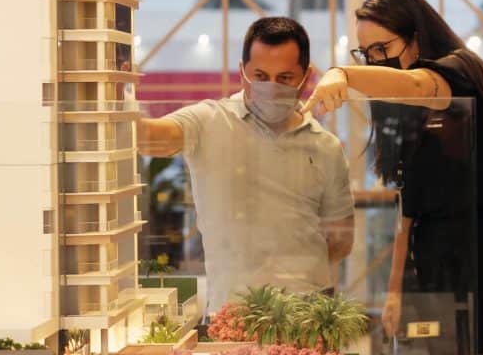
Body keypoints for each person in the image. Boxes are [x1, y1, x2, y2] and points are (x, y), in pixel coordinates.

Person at [305, 0, 483, 354]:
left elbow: (419, 84)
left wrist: (343, 74)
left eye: (383, 49)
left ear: (416, 37)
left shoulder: (458, 70)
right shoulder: (405, 109)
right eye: (366, 54)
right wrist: (395, 289)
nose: (375, 60)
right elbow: (409, 204)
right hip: (435, 260)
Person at [137, 17, 356, 313]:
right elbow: (154, 138)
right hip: (232, 314)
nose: (271, 87)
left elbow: (340, 240)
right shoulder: (208, 120)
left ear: (305, 77)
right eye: (260, 76)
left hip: (306, 314)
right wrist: (114, 98)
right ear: (242, 73)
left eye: (285, 78)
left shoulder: (325, 146)